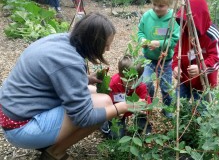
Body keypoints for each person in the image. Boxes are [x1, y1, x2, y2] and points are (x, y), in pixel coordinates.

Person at [0, 12, 138, 160]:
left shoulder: (61, 40)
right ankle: (54, 152)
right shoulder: (69, 62)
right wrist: (120, 108)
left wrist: (84, 79)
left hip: (14, 111)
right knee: (103, 103)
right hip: (21, 128)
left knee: (92, 90)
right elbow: (83, 118)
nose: (108, 49)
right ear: (93, 43)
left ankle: (47, 140)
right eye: (106, 45)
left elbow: (54, 74)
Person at [172, 0, 219, 104]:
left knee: (201, 111)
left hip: (204, 83)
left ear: (199, 18)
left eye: (190, 22)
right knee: (178, 105)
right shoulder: (185, 32)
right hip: (185, 79)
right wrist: (176, 66)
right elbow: (178, 51)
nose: (187, 26)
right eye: (184, 21)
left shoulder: (213, 36)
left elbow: (218, 58)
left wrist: (201, 68)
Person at [137, 0, 180, 118]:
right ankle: (147, 107)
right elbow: (140, 32)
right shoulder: (147, 16)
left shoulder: (173, 19)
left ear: (169, 5)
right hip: (148, 59)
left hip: (166, 61)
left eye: (161, 6)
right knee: (146, 84)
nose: (156, 8)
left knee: (166, 87)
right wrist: (142, 41)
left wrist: (159, 43)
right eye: (154, 4)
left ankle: (167, 109)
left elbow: (174, 40)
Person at [101, 55, 152, 139]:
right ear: (121, 76)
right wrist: (115, 112)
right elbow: (107, 103)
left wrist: (145, 109)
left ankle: (143, 127)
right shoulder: (113, 84)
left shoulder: (141, 85)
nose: (133, 83)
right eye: (129, 80)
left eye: (136, 79)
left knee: (142, 118)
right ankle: (105, 124)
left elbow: (147, 102)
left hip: (135, 109)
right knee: (116, 136)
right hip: (119, 112)